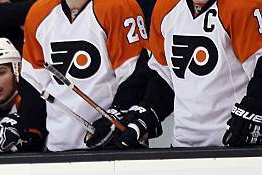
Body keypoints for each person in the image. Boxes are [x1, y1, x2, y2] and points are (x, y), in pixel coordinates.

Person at [111, 0, 262, 148]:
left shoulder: (242, 6)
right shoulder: (165, 7)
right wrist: (147, 112)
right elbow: (166, 77)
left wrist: (254, 107)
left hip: (234, 147)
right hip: (183, 146)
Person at [18, 0, 150, 152]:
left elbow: (136, 76)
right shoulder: (39, 12)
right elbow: (34, 84)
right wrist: (32, 132)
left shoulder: (117, 6)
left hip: (115, 146)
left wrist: (118, 118)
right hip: (57, 148)